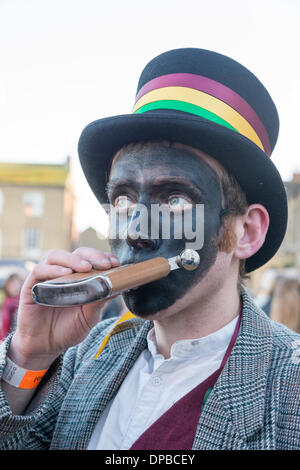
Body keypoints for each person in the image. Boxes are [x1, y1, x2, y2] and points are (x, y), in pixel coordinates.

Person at [0, 48, 299, 450]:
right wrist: (28, 356)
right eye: (123, 200)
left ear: (246, 232)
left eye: (175, 200)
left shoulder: (289, 388)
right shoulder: (85, 352)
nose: (136, 231)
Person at [0, 274, 23, 341]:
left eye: (17, 284)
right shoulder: (6, 302)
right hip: (7, 339)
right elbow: (4, 324)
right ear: (7, 287)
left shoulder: (23, 302)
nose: (15, 287)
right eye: (12, 285)